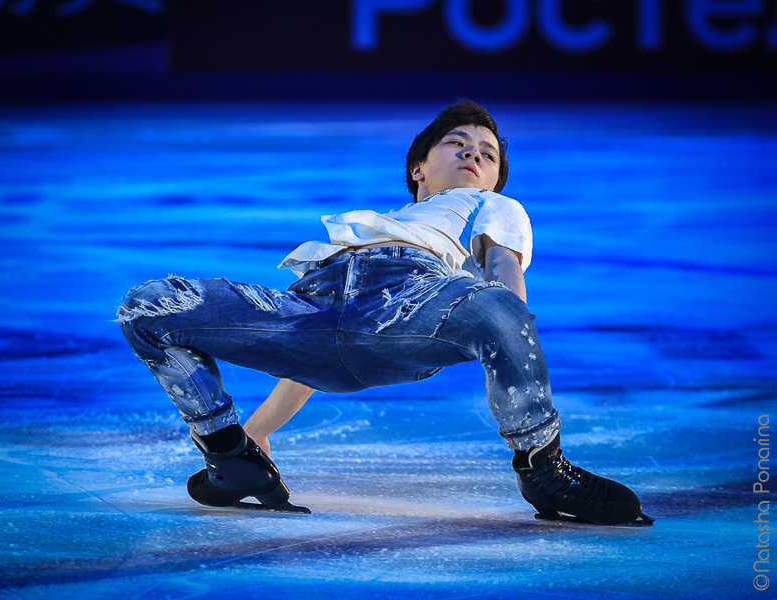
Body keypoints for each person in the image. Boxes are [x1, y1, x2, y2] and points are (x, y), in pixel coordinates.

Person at [118, 101, 652, 526]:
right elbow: (308, 359)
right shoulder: (378, 222)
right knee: (150, 306)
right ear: (418, 167)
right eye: (457, 143)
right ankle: (232, 457)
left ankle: (542, 466)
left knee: (499, 304)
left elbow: (505, 276)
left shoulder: (492, 207)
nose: (473, 155)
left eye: (488, 154)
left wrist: (506, 319)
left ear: (494, 181)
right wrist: (259, 429)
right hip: (312, 313)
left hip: (410, 308)